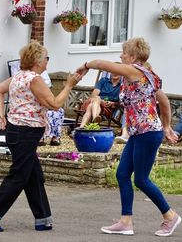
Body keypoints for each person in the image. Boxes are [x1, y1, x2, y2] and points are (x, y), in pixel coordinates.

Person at [76, 37, 181, 237]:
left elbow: (102, 64)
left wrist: (85, 65)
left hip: (147, 133)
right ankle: (126, 221)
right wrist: (166, 126)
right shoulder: (142, 75)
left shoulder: (135, 71)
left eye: (123, 53)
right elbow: (164, 102)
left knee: (141, 179)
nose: (120, 56)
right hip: (139, 133)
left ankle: (170, 216)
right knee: (122, 174)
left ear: (133, 57)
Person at [0, 40, 81, 232]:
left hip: (17, 131)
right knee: (19, 175)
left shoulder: (18, 76)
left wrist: (2, 115)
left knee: (34, 175)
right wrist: (69, 85)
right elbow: (54, 104)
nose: (47, 61)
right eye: (46, 58)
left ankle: (43, 218)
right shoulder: (35, 79)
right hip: (25, 132)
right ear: (37, 60)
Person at [38, 71, 65, 146]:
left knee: (59, 111)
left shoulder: (43, 73)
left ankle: (55, 137)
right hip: (35, 105)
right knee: (49, 113)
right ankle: (40, 138)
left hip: (44, 102)